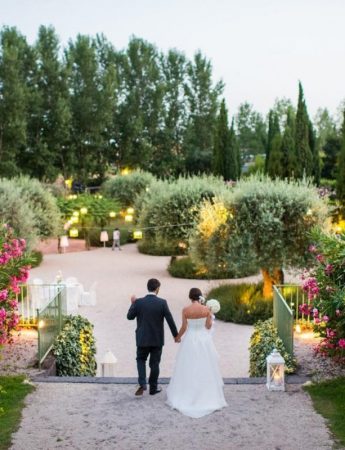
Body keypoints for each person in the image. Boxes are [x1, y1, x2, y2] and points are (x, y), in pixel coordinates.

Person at [166, 287, 228, 418]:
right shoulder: (206, 309)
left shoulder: (185, 310)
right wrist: (210, 316)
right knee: (205, 366)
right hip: (203, 340)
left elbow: (184, 327)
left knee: (188, 366)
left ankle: (187, 394)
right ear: (200, 297)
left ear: (190, 297)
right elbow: (208, 326)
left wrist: (177, 337)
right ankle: (205, 394)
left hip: (189, 339)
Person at [127, 278, 179, 396]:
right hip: (157, 339)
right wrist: (176, 335)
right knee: (154, 363)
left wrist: (132, 304)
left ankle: (142, 383)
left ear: (148, 287)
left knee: (141, 360)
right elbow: (169, 320)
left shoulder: (139, 302)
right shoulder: (162, 302)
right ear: (157, 289)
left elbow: (129, 317)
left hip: (142, 339)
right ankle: (153, 388)